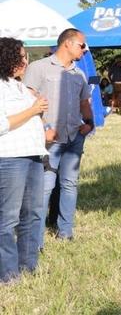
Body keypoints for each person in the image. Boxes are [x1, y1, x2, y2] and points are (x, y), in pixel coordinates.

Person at [23, 28, 93, 244]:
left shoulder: (78, 74)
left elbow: (84, 103)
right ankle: (37, 239)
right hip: (48, 142)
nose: (85, 49)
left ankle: (66, 232)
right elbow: (26, 101)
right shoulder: (39, 68)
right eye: (82, 45)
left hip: (74, 139)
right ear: (68, 44)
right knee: (45, 188)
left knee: (70, 184)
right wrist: (43, 128)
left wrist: (89, 124)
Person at [0, 38, 52, 283]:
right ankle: (8, 275)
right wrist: (32, 110)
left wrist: (42, 126)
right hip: (10, 158)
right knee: (8, 218)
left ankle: (28, 268)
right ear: (8, 59)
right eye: (22, 56)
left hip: (33, 155)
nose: (26, 60)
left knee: (32, 213)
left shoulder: (21, 87)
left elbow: (31, 119)